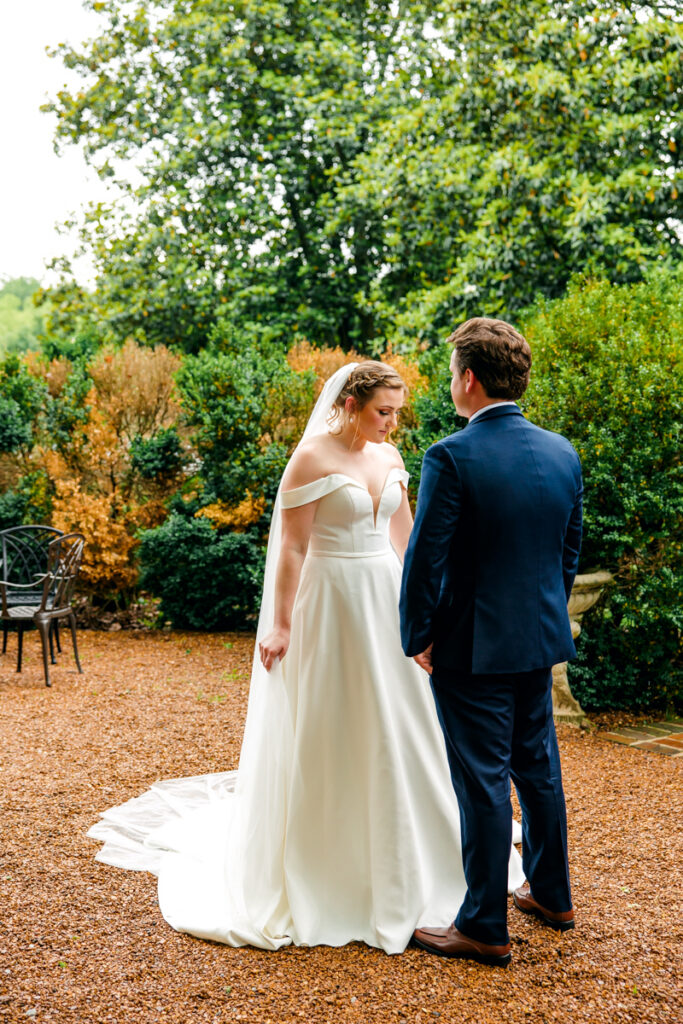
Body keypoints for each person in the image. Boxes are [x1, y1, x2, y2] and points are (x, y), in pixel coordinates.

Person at [88, 360, 524, 954]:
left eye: (397, 412)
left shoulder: (391, 460)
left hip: (383, 599)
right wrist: (281, 623)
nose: (392, 424)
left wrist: (430, 613)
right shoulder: (311, 458)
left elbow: (409, 540)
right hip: (330, 603)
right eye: (382, 411)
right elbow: (291, 547)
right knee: (333, 723)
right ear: (350, 403)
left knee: (403, 728)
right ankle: (327, 870)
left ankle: (428, 861)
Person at [400, 318, 582, 968]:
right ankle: (552, 895)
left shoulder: (450, 456)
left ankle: (483, 925)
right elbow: (566, 553)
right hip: (535, 637)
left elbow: (427, 560)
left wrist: (417, 635)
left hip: (471, 648)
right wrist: (541, 615)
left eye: (453, 372)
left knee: (480, 779)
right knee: (537, 769)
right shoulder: (561, 451)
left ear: (468, 379)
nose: (453, 382)